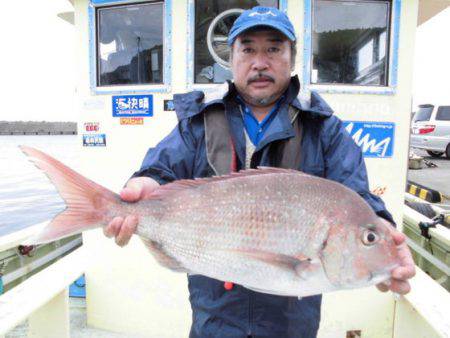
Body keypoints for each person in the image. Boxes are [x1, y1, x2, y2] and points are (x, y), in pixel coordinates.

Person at [104, 6, 415, 338]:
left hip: (291, 324)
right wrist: (141, 187)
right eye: (248, 49)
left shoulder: (324, 129)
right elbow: (160, 169)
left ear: (292, 58)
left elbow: (359, 197)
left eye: (274, 49)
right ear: (232, 58)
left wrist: (383, 236)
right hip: (215, 318)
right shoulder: (200, 123)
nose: (260, 61)